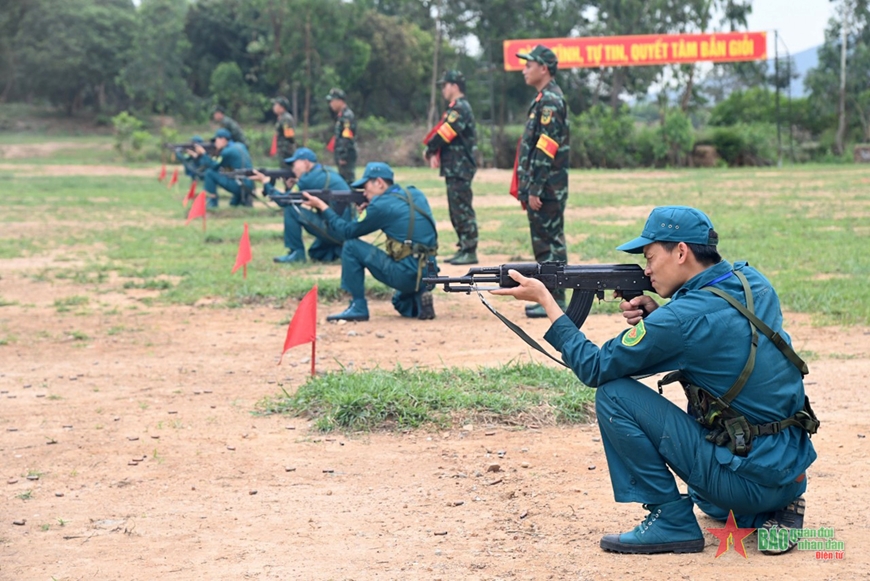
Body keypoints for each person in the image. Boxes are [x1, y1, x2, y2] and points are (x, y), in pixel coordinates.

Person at [492, 206, 819, 556]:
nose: (646, 270)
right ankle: (776, 505)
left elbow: (595, 367)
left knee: (613, 394)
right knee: (710, 503)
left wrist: (547, 301)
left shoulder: (681, 320)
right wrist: (661, 317)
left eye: (649, 257)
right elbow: (718, 333)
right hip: (791, 468)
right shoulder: (753, 281)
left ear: (681, 252)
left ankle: (670, 521)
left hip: (742, 480)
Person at [302, 162, 438, 322]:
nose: (364, 193)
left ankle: (358, 307)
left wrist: (323, 207)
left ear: (379, 183)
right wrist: (372, 211)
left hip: (407, 274)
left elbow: (346, 232)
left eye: (366, 187)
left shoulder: (381, 206)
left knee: (351, 246)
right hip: (430, 271)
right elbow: (401, 218)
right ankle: (420, 295)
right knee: (400, 303)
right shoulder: (415, 194)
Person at [515, 44, 570, 319]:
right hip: (543, 186)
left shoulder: (550, 101)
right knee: (543, 243)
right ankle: (550, 297)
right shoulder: (542, 99)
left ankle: (556, 298)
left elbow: (546, 147)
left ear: (543, 68)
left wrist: (535, 187)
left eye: (529, 65)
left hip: (547, 187)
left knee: (550, 243)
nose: (524, 69)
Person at [249, 147, 354, 264]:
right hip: (344, 229)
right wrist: (291, 187)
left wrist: (265, 183)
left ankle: (296, 253)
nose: (293, 169)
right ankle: (339, 249)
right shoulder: (325, 171)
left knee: (291, 208)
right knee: (316, 253)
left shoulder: (309, 178)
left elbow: (283, 201)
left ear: (306, 163)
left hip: (337, 229)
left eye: (295, 164)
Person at [424, 70, 479, 266]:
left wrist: (430, 147)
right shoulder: (456, 107)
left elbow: (446, 133)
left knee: (462, 208)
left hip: (460, 166)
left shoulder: (460, 108)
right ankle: (464, 247)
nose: (442, 89)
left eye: (444, 85)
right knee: (456, 209)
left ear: (454, 86)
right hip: (455, 166)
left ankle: (469, 249)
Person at [196, 128, 254, 208]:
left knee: (209, 173)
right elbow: (231, 168)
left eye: (216, 140)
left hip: (240, 185)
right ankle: (239, 199)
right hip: (249, 185)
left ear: (223, 140)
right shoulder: (241, 146)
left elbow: (214, 166)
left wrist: (204, 154)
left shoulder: (227, 151)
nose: (215, 143)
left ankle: (212, 202)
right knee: (233, 205)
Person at [325, 88, 358, 184]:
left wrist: (343, 156)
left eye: (332, 101)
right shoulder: (341, 116)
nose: (331, 104)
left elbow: (346, 138)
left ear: (340, 101)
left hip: (346, 155)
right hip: (343, 154)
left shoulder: (347, 116)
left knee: (348, 181)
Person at [272, 97, 296, 166]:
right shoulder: (282, 117)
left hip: (286, 150)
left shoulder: (286, 118)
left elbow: (289, 135)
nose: (274, 107)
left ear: (282, 107)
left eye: (276, 105)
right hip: (282, 150)